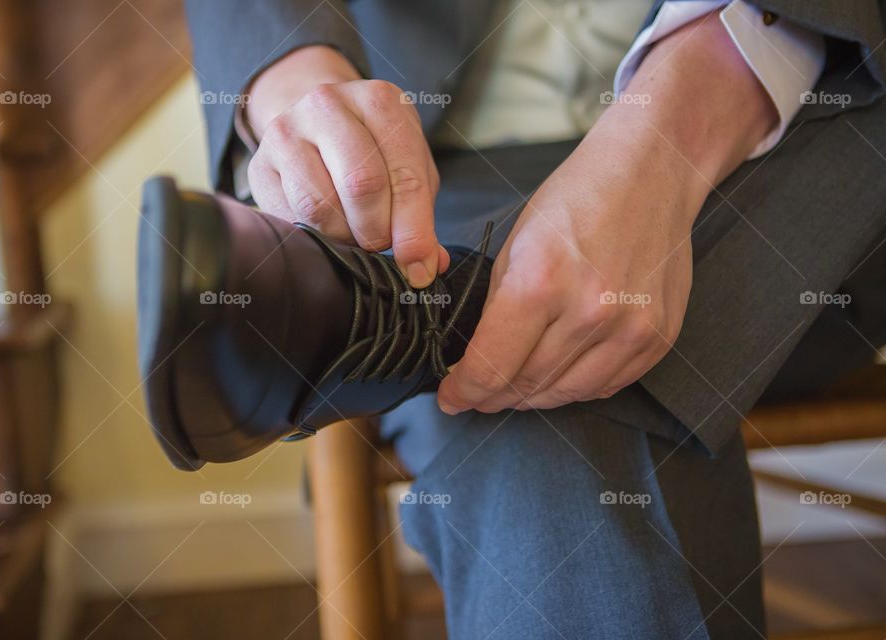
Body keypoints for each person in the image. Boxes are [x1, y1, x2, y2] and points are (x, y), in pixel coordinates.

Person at [183, 1, 886, 637]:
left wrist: (667, 142)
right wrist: (297, 83)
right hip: (442, 170)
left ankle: (346, 328)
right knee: (533, 374)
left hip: (819, 132)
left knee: (523, 356)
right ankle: (381, 315)